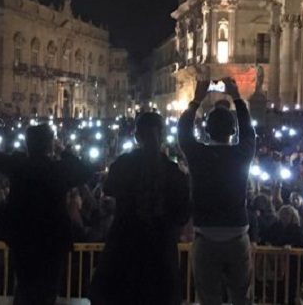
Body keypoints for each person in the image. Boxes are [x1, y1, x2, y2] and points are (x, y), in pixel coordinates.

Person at [0, 121, 92, 305]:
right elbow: (85, 172)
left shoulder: (19, 165)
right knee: (48, 289)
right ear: (50, 144)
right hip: (52, 239)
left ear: (27, 144)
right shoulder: (58, 169)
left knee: (25, 285)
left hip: (23, 236)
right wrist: (63, 151)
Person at [91, 112, 190, 305]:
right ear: (162, 135)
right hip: (160, 257)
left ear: (137, 136)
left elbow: (109, 188)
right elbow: (182, 215)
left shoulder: (123, 165)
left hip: (124, 252)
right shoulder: (173, 173)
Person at [178, 77, 255, 305]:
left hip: (205, 236)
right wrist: (237, 98)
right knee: (242, 298)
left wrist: (196, 100)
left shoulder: (198, 156)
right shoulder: (241, 155)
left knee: (208, 298)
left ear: (207, 130)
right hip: (237, 235)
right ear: (233, 130)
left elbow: (183, 133)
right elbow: (249, 132)